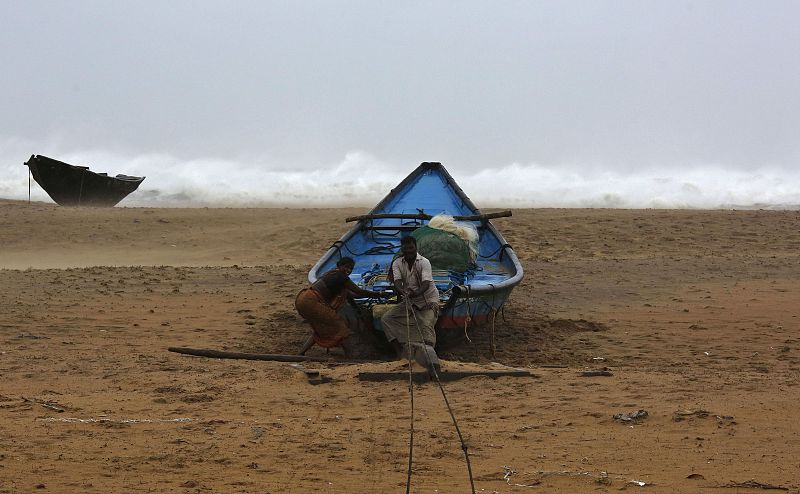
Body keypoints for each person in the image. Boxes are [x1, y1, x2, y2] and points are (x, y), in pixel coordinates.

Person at [295, 257, 387, 357]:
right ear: (339, 266)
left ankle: (301, 353)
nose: (348, 270)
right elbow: (359, 292)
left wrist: (375, 294)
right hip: (312, 302)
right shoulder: (342, 277)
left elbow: (352, 295)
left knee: (320, 329)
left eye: (351, 268)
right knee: (342, 328)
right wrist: (378, 294)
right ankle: (350, 355)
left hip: (302, 298)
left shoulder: (332, 273)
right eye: (346, 267)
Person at [380, 236, 440, 358]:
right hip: (409, 300)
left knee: (426, 323)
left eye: (411, 247)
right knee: (386, 319)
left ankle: (427, 355)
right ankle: (400, 352)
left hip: (427, 300)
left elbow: (426, 284)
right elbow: (397, 281)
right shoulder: (397, 263)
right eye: (405, 248)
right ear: (402, 249)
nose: (408, 251)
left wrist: (416, 293)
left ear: (416, 247)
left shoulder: (424, 262)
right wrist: (402, 290)